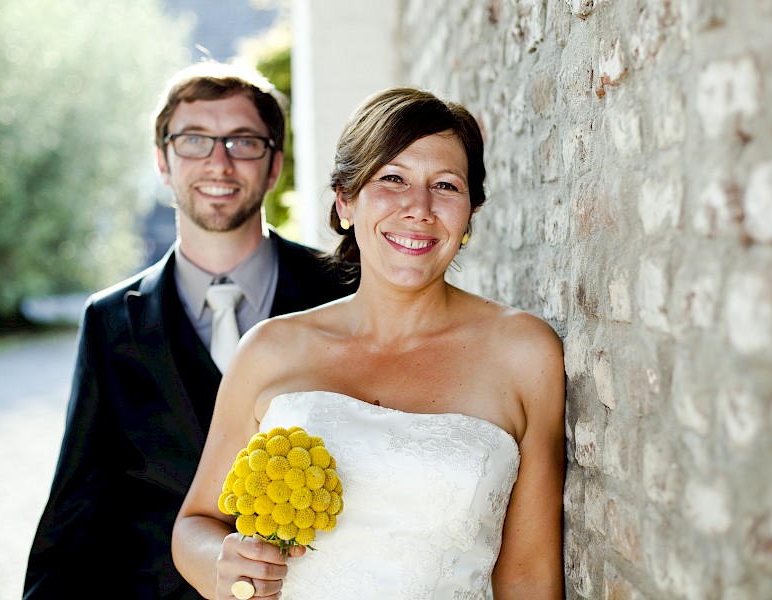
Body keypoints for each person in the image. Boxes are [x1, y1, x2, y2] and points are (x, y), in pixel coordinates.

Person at [172, 87, 566, 599]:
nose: (419, 208)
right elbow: (196, 523)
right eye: (393, 179)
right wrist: (224, 567)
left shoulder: (525, 354)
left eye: (445, 185)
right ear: (346, 200)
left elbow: (529, 577)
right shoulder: (269, 350)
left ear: (471, 212)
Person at [24, 61, 355, 599]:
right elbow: (77, 505)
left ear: (274, 166)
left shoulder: (346, 289)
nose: (219, 163)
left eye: (243, 142)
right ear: (163, 161)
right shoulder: (111, 322)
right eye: (195, 140)